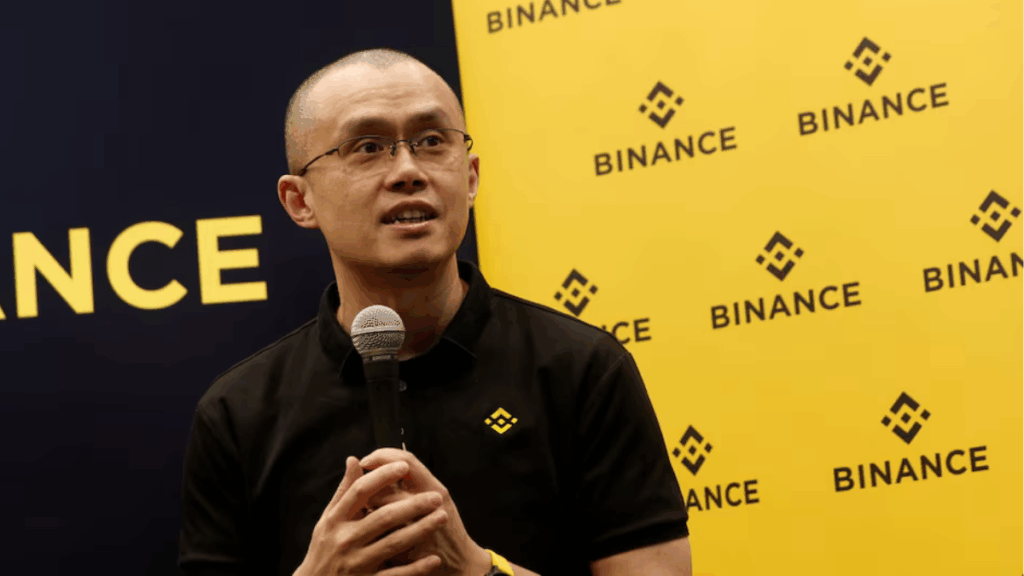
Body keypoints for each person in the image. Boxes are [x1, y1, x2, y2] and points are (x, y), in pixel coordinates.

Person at [177, 48, 692, 576]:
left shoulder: (581, 368)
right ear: (299, 201)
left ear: (470, 177)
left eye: (431, 141)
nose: (408, 171)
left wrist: (477, 569)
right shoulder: (238, 412)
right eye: (368, 147)